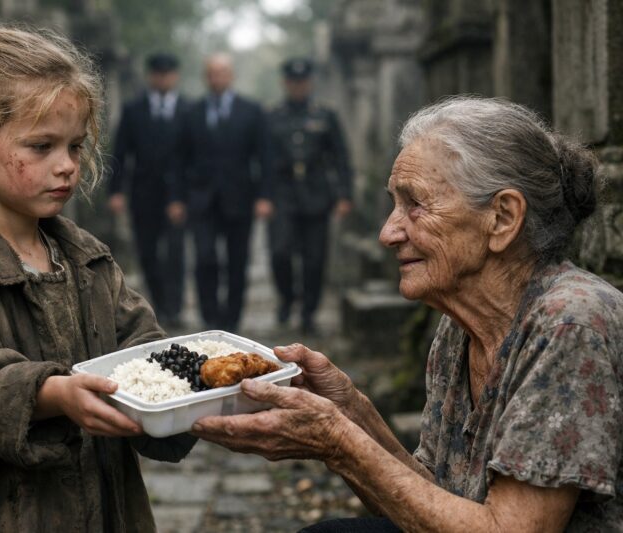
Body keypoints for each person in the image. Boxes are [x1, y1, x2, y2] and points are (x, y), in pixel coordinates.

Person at [191, 96, 623, 531]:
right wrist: (349, 415)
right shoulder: (459, 328)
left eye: (414, 204)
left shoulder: (570, 323)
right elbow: (432, 500)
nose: (388, 232)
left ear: (502, 218)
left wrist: (339, 442)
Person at [0, 18, 195, 532]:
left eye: (74, 146)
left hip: (96, 505)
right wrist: (51, 394)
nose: (67, 165)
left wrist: (192, 389)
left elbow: (143, 348)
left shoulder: (86, 258)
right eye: (41, 146)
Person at [167, 53, 272, 332]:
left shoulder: (251, 111)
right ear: (206, 77)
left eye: (223, 72)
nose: (218, 78)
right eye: (212, 73)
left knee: (237, 261)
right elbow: (178, 159)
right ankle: (209, 316)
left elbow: (265, 157)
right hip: (201, 201)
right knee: (204, 258)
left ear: (231, 75)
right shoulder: (191, 112)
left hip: (240, 199)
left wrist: (264, 196)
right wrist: (176, 198)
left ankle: (232, 319)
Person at [267, 58, 353, 334]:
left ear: (310, 83)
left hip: (317, 195)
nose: (298, 87)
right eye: (293, 82)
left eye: (302, 82)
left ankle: (308, 312)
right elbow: (262, 159)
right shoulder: (272, 116)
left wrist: (343, 195)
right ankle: (287, 297)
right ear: (285, 83)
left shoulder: (325, 115)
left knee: (314, 259)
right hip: (283, 195)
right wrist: (263, 196)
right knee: (280, 252)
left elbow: (340, 157)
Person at [108, 52, 187, 328]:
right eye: (158, 73)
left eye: (167, 74)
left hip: (178, 196)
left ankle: (175, 307)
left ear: (175, 76)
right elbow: (120, 151)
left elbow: (192, 157)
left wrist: (182, 196)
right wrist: (116, 191)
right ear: (151, 76)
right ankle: (159, 306)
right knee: (148, 252)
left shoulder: (188, 110)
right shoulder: (134, 109)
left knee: (176, 253)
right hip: (143, 193)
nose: (163, 79)